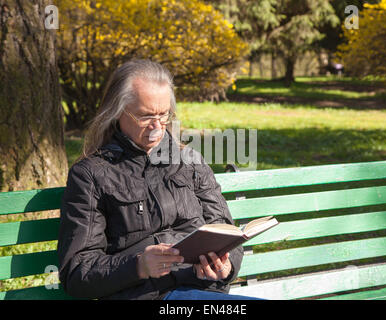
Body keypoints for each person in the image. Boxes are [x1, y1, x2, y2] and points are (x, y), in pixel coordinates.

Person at [57, 59, 260, 300]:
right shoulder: (91, 175)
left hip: (204, 292)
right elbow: (77, 273)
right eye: (145, 117)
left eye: (164, 115)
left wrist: (225, 267)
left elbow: (224, 230)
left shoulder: (189, 160)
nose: (157, 126)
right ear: (118, 111)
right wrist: (138, 266)